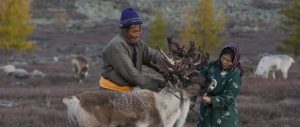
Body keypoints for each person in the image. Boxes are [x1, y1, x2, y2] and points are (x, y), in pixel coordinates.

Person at [99, 8, 165, 92]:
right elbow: (131, 74)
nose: (138, 35)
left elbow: (154, 57)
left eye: (140, 31)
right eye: (134, 32)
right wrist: (157, 84)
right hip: (111, 91)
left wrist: (171, 66)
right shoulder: (116, 45)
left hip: (129, 90)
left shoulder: (139, 44)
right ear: (124, 30)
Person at [192, 43, 243, 127]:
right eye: (223, 58)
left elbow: (229, 97)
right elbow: (198, 80)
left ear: (234, 61)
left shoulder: (235, 74)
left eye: (228, 60)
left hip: (224, 116)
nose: (224, 62)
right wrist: (192, 99)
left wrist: (211, 100)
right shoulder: (212, 66)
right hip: (206, 116)